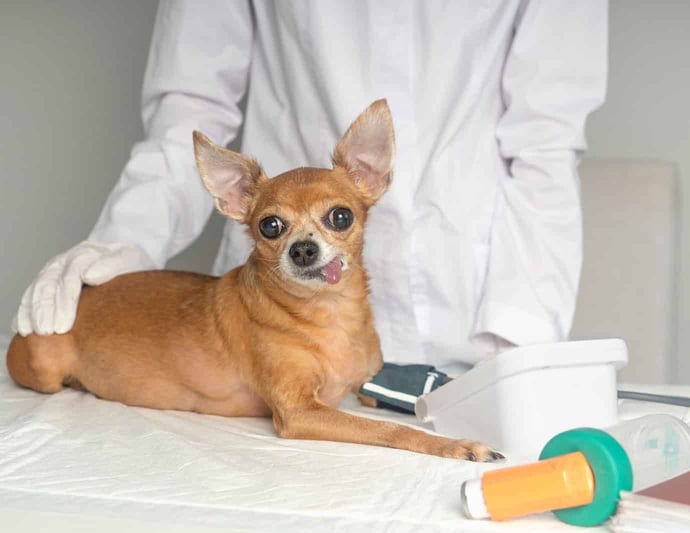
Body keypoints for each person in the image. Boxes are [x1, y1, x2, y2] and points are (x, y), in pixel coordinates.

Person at [12, 1, 608, 373]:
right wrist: (123, 247)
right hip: (274, 323)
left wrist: (520, 344)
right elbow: (190, 115)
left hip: (473, 314)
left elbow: (545, 142)